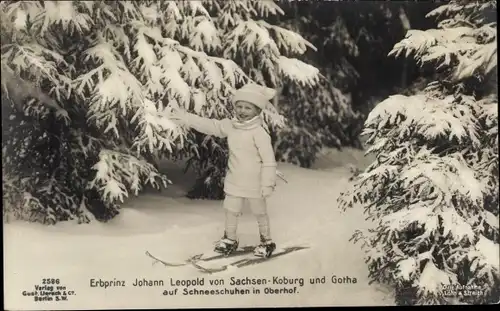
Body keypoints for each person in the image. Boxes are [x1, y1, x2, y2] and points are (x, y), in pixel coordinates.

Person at [168, 83, 278, 258]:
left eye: (248, 108)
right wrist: (185, 118)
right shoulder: (231, 126)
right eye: (239, 106)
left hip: (256, 182)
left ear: (257, 111)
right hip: (235, 179)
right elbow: (210, 125)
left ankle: (266, 241)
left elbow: (269, 161)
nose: (242, 111)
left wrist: (267, 183)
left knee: (259, 211)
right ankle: (230, 239)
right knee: (231, 210)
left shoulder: (259, 132)